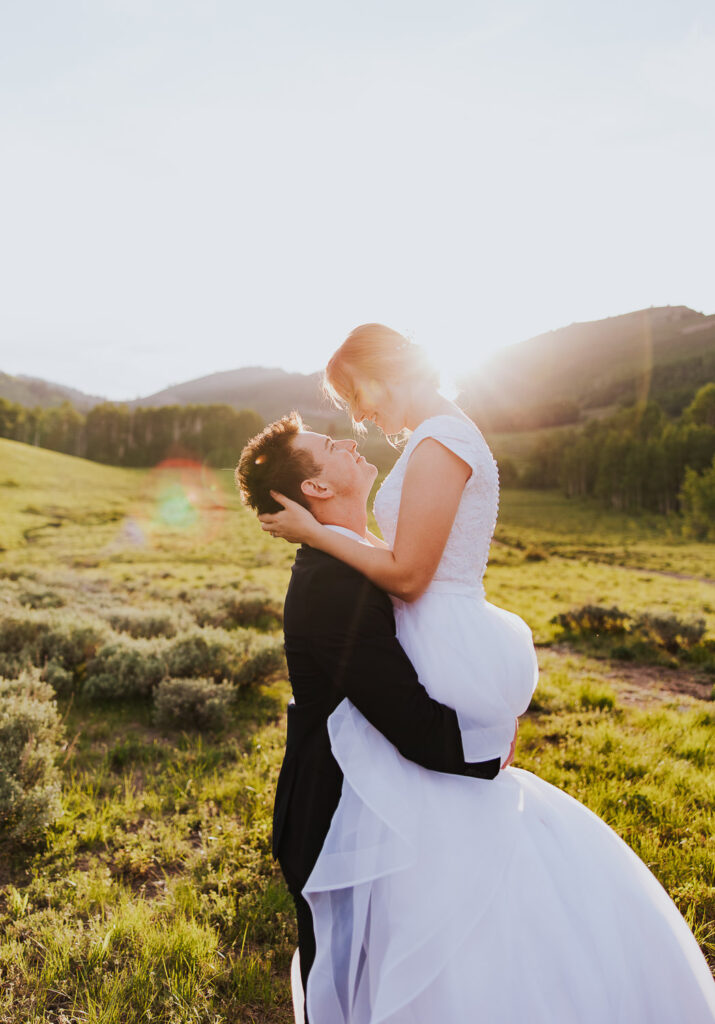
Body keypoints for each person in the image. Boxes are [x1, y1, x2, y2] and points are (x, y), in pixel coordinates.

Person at [257, 324, 715, 1024]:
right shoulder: (433, 439)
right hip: (429, 645)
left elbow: (409, 575)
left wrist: (318, 533)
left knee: (449, 840)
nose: (357, 417)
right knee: (437, 841)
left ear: (387, 371)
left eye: (356, 394)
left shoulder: (439, 440)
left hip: (436, 636)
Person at [235, 413, 515, 1024]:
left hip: (378, 800)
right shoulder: (333, 584)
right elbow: (407, 720)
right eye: (329, 445)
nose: (349, 440)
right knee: (363, 990)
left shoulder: (355, 561)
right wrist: (491, 751)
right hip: (341, 817)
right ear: (315, 489)